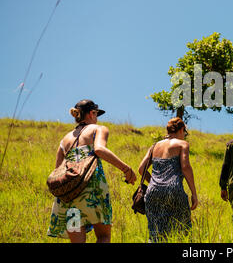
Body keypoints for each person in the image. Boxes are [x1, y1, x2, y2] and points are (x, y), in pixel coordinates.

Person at [47, 99, 137, 242]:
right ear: (91, 113)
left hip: (69, 194)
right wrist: (126, 169)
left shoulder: (64, 140)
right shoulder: (98, 129)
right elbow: (99, 149)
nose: (96, 118)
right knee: (103, 236)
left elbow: (57, 170)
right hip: (93, 189)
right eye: (96, 114)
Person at [139, 117, 198, 243]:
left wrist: (154, 183)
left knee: (156, 235)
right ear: (182, 129)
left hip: (152, 192)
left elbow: (141, 169)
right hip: (174, 190)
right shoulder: (182, 144)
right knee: (182, 233)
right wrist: (194, 193)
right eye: (185, 133)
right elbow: (185, 167)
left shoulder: (154, 146)